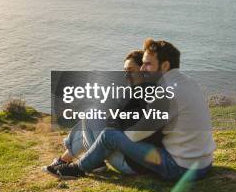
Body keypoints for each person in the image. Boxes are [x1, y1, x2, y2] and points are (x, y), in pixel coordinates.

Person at [46, 39, 216, 181]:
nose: (142, 69)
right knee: (97, 121)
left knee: (107, 134)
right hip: (204, 163)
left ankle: (77, 168)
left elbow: (136, 135)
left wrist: (113, 134)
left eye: (148, 64)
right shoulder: (189, 83)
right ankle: (78, 160)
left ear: (165, 66)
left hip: (180, 169)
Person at [45, 50, 162, 178]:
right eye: (124, 71)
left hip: (134, 164)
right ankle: (64, 160)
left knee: (92, 115)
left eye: (131, 70)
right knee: (91, 119)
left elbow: (125, 132)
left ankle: (89, 162)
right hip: (137, 158)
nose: (126, 75)